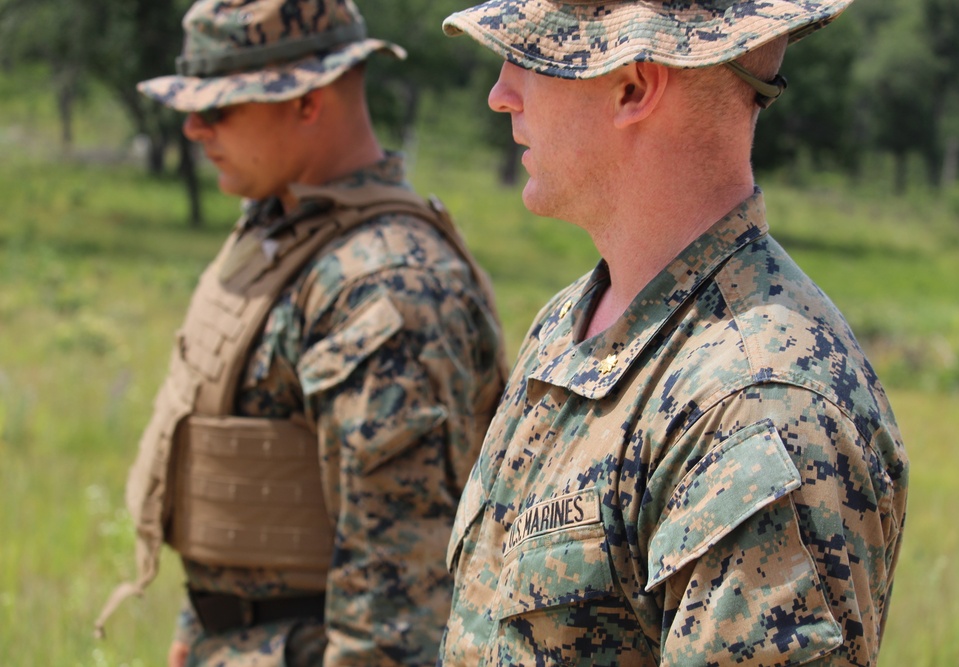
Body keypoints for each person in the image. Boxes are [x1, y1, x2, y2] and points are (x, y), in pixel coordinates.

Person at [438, 1, 909, 665]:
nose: (500, 93)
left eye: (534, 57)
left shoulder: (759, 402)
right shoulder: (569, 325)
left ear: (632, 85)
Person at [94, 1, 507, 665]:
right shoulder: (281, 233)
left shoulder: (385, 287)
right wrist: (199, 628)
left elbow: (394, 620)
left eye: (220, 108)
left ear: (308, 100)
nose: (194, 128)